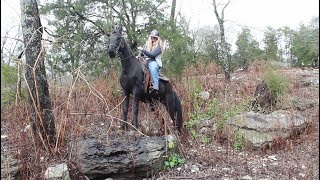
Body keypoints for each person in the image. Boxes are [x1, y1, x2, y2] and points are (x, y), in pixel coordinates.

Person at [138, 30, 164, 95]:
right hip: (145, 60)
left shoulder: (159, 47)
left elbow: (152, 55)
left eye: (155, 37)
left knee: (153, 68)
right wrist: (138, 56)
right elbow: (142, 53)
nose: (153, 39)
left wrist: (143, 50)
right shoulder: (147, 44)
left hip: (153, 61)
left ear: (158, 38)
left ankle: (156, 86)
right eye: (152, 37)